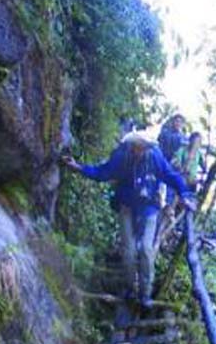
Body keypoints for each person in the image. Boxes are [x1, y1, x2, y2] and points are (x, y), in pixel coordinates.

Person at [62, 132, 196, 308]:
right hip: (127, 207)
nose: (140, 151)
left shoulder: (154, 156)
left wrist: (185, 195)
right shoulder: (122, 156)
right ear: (132, 146)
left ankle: (145, 294)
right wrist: (79, 167)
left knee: (147, 250)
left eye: (144, 148)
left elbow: (170, 175)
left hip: (149, 209)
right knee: (129, 251)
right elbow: (103, 172)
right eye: (137, 148)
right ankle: (130, 289)